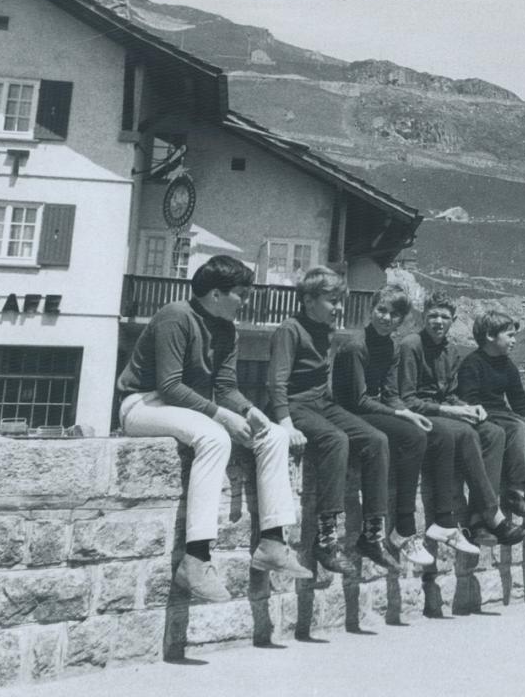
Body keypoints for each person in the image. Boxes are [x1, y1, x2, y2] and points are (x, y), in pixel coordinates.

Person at [117, 255, 313, 601]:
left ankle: (273, 542)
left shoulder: (226, 329)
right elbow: (170, 386)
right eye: (241, 293)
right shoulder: (176, 316)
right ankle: (196, 559)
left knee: (275, 434)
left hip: (186, 407)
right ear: (215, 294)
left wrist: (250, 410)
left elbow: (225, 387)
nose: (246, 301)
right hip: (142, 404)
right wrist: (222, 417)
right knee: (214, 437)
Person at [268, 266, 398, 577]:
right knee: (335, 440)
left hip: (321, 404)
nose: (338, 308)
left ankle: (373, 536)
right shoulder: (290, 329)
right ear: (309, 299)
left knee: (377, 439)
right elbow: (276, 382)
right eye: (332, 301)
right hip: (294, 405)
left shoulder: (326, 331)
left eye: (340, 301)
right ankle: (325, 541)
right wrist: (285, 422)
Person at [393, 294, 525, 548]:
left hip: (442, 411)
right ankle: (492, 514)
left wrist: (467, 407)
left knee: (493, 432)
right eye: (433, 315)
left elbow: (451, 394)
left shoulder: (450, 350)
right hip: (418, 416)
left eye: (444, 317)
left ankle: (479, 518)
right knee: (466, 434)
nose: (438, 322)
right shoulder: (411, 345)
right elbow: (408, 399)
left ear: (453, 321)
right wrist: (451, 411)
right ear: (424, 316)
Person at [328, 286, 443, 570]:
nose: (386, 318)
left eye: (394, 315)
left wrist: (407, 414)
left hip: (373, 408)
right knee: (394, 437)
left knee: (416, 433)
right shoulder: (356, 346)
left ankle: (403, 525)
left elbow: (390, 393)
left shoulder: (391, 346)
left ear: (401, 320)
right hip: (349, 412)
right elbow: (358, 399)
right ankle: (379, 530)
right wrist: (398, 414)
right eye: (382, 310)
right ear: (372, 308)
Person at [457, 311, 525, 523]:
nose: (514, 340)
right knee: (517, 428)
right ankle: (515, 492)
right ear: (490, 336)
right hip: (483, 415)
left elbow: (519, 400)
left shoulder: (507, 365)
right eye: (510, 335)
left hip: (502, 414)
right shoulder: (472, 364)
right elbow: (468, 400)